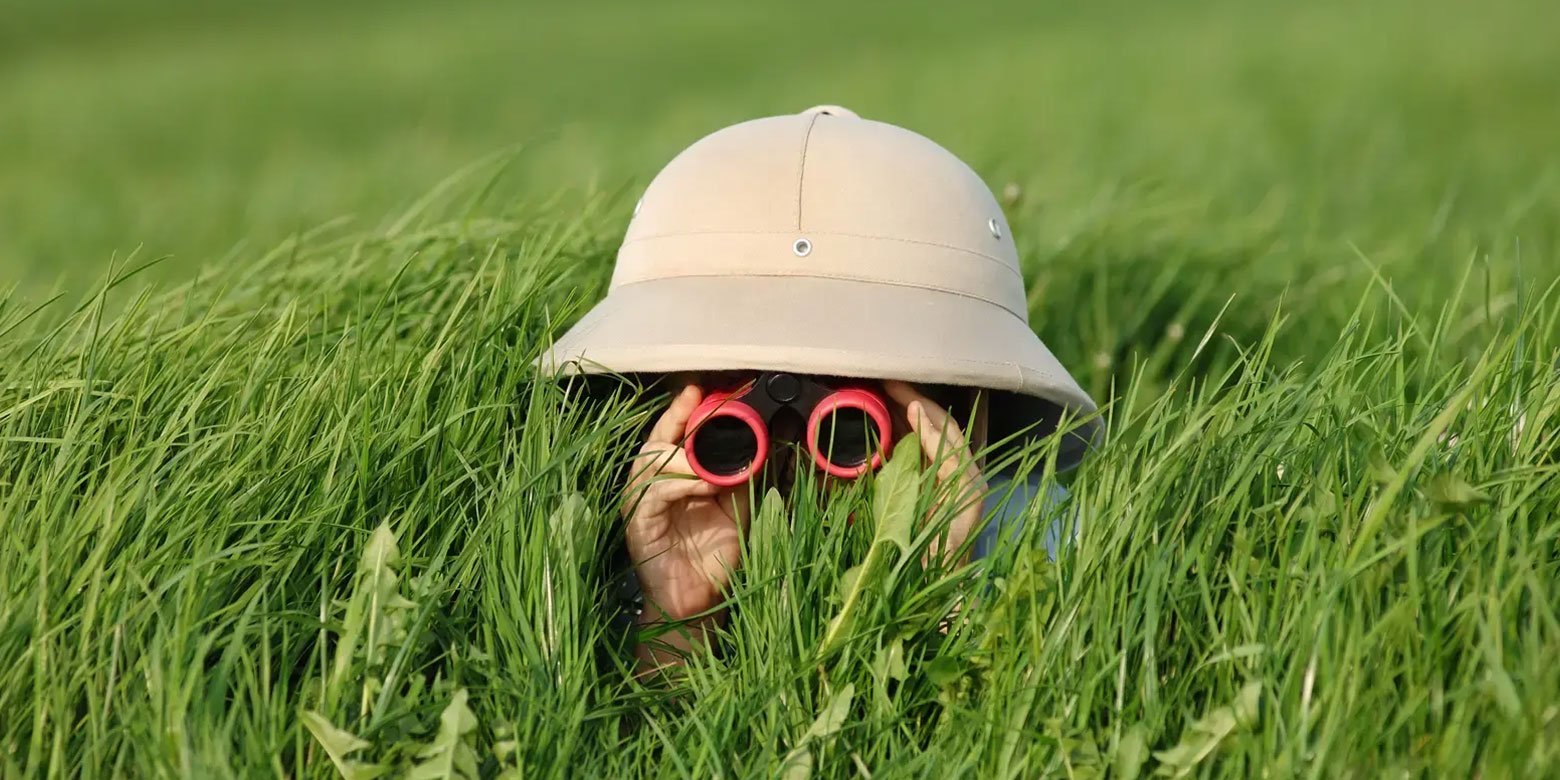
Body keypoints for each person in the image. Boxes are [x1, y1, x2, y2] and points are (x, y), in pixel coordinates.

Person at [539, 106, 1099, 672]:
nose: (795, 441)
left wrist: (934, 589)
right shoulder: (597, 554)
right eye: (735, 402)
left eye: (849, 423)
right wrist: (677, 614)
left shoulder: (1046, 541)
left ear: (953, 403)